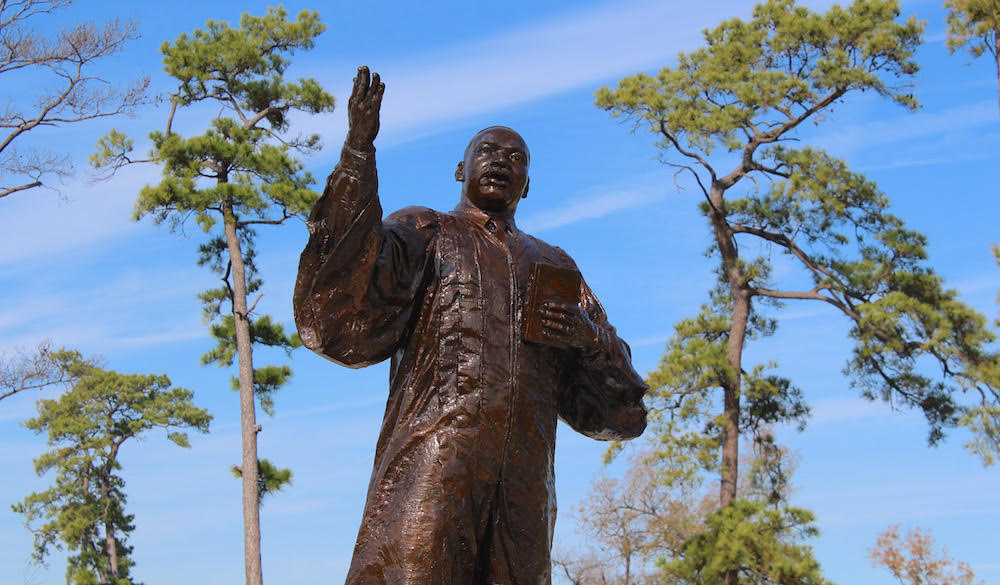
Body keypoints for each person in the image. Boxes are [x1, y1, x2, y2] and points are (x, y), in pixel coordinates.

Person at [293, 66, 647, 585]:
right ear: (460, 170)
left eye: (516, 157)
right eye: (489, 150)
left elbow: (621, 410)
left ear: (529, 184)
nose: (502, 161)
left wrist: (587, 340)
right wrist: (357, 155)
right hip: (434, 465)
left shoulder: (555, 267)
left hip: (524, 481)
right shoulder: (426, 231)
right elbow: (348, 289)